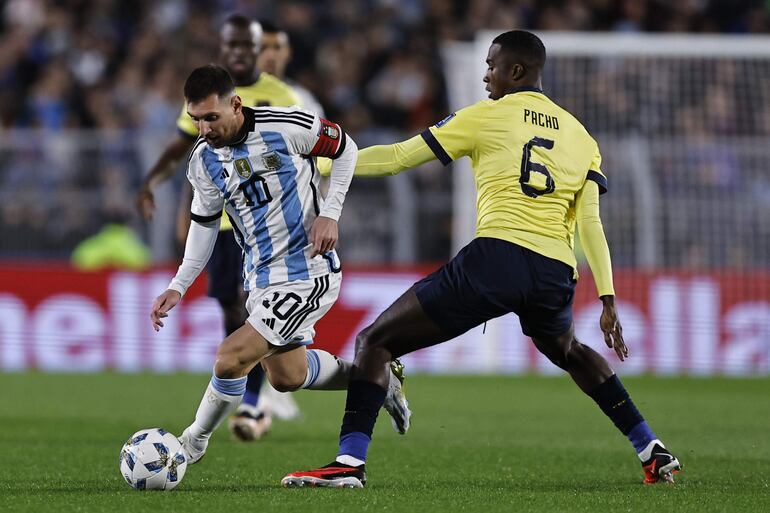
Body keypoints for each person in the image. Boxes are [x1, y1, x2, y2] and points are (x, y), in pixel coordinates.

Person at [282, 30, 681, 489]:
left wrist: (323, 162)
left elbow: (395, 158)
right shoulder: (581, 136)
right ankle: (651, 448)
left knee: (375, 341)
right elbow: (590, 224)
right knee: (569, 350)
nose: (485, 73)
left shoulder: (486, 117)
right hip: (554, 271)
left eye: (492, 65)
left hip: (497, 258)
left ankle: (348, 464)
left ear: (516, 71)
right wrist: (607, 297)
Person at [150, 64, 411, 466]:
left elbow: (346, 148)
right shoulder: (203, 162)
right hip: (260, 279)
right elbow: (203, 228)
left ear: (236, 105)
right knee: (286, 376)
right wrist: (178, 285)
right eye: (196, 119)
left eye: (211, 118)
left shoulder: (286, 126)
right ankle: (376, 376)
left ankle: (190, 445)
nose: (203, 130)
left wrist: (331, 213)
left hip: (308, 271)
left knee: (231, 356)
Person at [136, 14, 303, 442]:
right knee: (232, 305)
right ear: (224, 45)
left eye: (248, 47)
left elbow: (305, 152)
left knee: (255, 305)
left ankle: (252, 398)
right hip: (223, 222)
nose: (240, 53)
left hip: (269, 223)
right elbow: (186, 150)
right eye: (232, 46)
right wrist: (158, 187)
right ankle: (256, 383)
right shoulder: (203, 93)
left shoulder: (280, 97)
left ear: (258, 49)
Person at [257, 20, 325, 118]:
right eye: (262, 48)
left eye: (277, 48)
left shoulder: (303, 99)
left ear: (288, 52)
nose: (270, 56)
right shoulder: (235, 96)